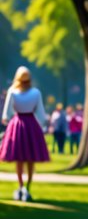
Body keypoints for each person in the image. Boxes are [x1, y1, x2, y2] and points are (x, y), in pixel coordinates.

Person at [0, 66, 50, 201]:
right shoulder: (35, 93)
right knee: (30, 160)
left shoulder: (12, 91)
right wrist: (42, 125)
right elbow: (41, 114)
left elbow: (6, 114)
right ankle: (27, 188)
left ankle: (21, 186)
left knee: (19, 160)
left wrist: (9, 122)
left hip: (17, 125)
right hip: (31, 125)